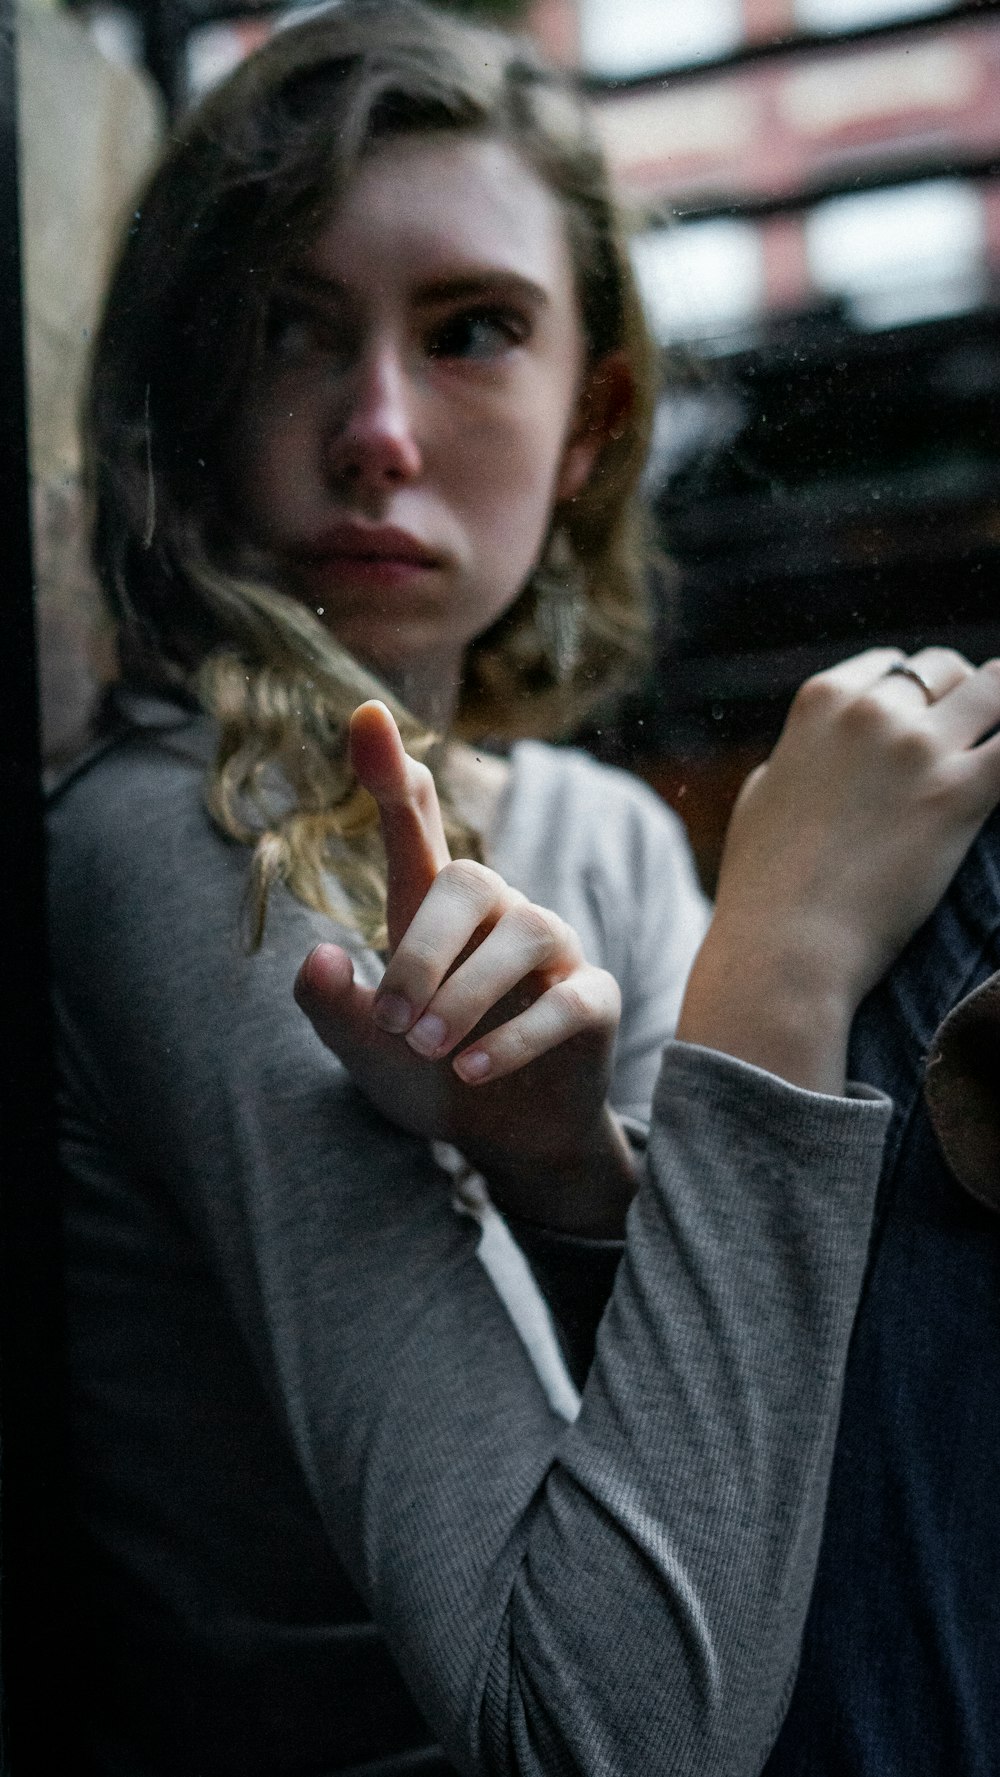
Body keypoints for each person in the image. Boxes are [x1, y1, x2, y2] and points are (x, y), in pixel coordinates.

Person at [46, 3, 1000, 1772]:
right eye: (289, 331)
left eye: (473, 330)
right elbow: (600, 1737)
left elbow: (684, 1468)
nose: (379, 432)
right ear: (195, 385)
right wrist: (777, 967)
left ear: (591, 422)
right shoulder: (182, 834)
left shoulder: (596, 824)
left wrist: (562, 1171)